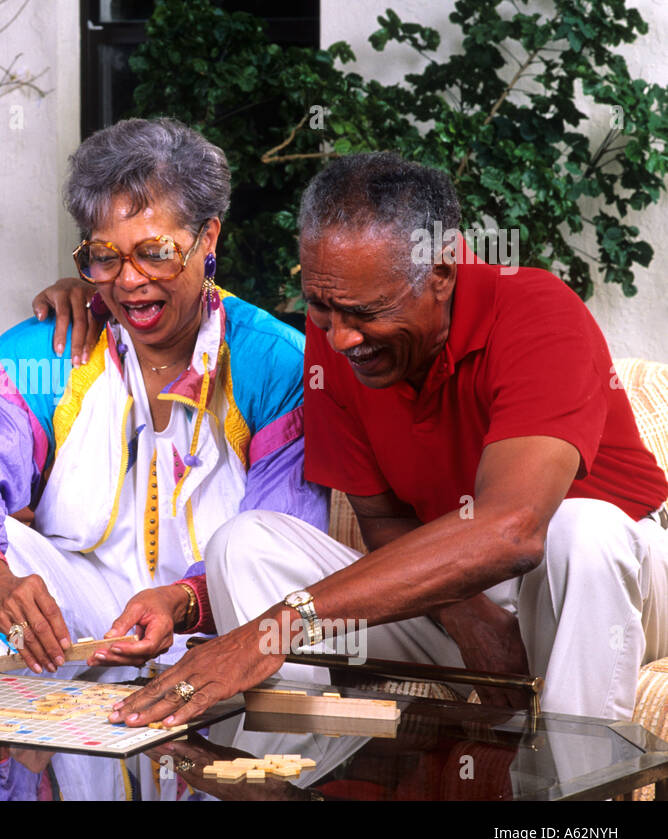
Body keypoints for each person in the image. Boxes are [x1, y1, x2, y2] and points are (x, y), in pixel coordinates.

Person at [115, 151, 668, 727]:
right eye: (321, 306)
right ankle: (287, 771)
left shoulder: (537, 311)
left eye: (365, 312)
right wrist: (472, 620)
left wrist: (272, 630)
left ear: (441, 274)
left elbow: (515, 529)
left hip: (603, 592)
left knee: (581, 530)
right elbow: (383, 523)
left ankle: (570, 798)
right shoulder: (336, 340)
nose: (343, 337)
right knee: (244, 542)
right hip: (451, 597)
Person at [0, 117, 328, 675]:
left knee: (255, 547)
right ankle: (20, 742)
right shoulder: (42, 352)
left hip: (226, 629)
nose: (129, 281)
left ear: (208, 239)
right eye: (105, 256)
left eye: (154, 252)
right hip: (80, 629)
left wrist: (183, 601)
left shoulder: (273, 362)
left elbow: (279, 544)